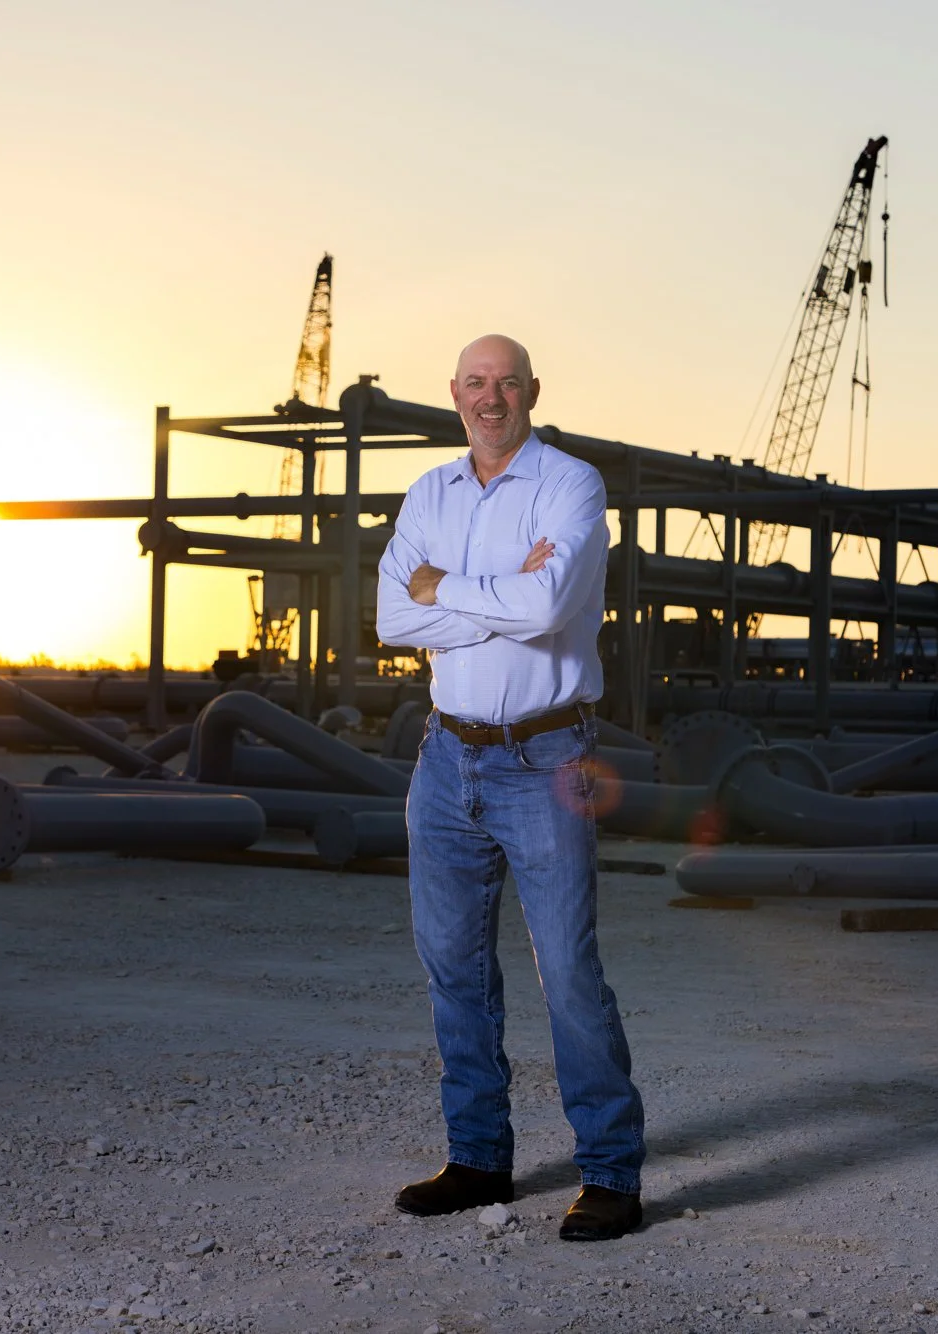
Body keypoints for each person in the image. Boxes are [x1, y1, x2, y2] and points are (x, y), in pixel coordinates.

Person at [374, 334, 645, 1242]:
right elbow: (389, 614)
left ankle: (609, 1172)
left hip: (547, 760)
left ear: (533, 390)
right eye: (476, 383)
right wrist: (498, 594)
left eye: (508, 383)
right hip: (446, 760)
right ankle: (480, 1160)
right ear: (454, 393)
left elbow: (542, 612)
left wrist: (444, 591)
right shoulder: (428, 493)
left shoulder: (570, 486)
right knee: (453, 966)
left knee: (567, 969)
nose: (492, 398)